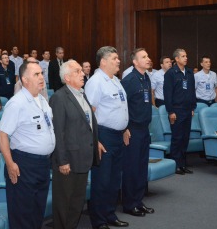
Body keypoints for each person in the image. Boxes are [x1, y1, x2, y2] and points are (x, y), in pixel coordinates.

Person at [0, 60, 55, 229]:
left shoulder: (42, 100)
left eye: (42, 74)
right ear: (24, 80)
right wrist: (10, 164)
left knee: (37, 210)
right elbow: (3, 135)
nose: (41, 78)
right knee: (23, 213)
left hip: (43, 163)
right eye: (36, 74)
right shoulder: (16, 103)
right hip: (24, 163)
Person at [50, 60, 99, 229]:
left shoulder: (82, 94)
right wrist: (62, 160)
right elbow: (58, 132)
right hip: (68, 161)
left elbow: (87, 125)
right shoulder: (59, 97)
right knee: (64, 205)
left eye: (81, 71)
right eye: (77, 71)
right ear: (67, 77)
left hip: (83, 158)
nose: (82, 74)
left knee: (77, 203)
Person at [85, 46, 128, 229]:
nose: (118, 61)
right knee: (102, 180)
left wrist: (125, 128)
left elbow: (120, 107)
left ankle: (110, 214)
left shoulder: (116, 81)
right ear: (103, 61)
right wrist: (96, 140)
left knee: (113, 179)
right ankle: (99, 220)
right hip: (104, 135)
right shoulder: (96, 82)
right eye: (114, 58)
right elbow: (89, 114)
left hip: (118, 135)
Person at [120, 48, 154, 217]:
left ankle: (138, 201)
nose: (148, 59)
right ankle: (129, 204)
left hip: (144, 129)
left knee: (141, 168)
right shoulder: (129, 80)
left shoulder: (146, 77)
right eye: (144, 57)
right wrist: (124, 128)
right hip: (132, 130)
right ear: (135, 62)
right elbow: (121, 106)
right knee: (131, 168)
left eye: (147, 56)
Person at [163, 48, 196, 175]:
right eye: (183, 56)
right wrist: (170, 111)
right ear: (176, 59)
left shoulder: (189, 72)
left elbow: (192, 91)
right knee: (177, 138)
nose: (186, 58)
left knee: (185, 138)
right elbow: (168, 94)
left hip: (188, 110)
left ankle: (183, 164)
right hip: (176, 111)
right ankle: (175, 165)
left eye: (186, 56)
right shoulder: (170, 73)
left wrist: (193, 107)